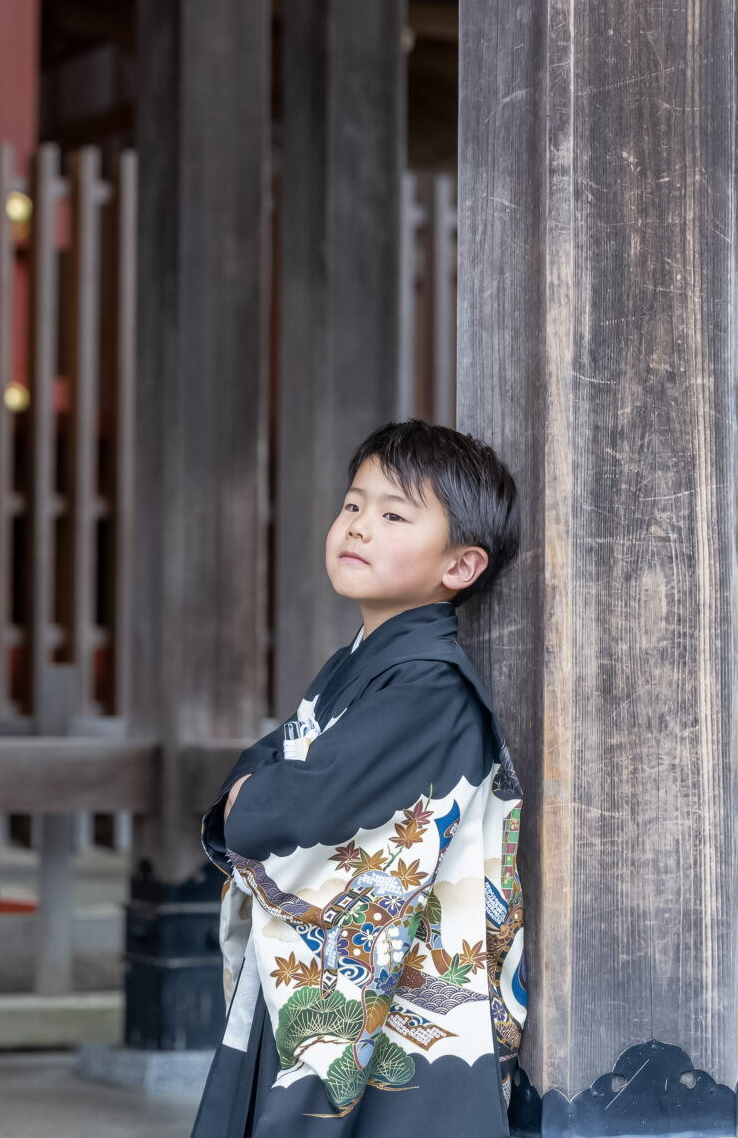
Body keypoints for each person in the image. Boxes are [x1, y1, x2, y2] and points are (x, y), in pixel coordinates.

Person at [190, 420, 526, 1137]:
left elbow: (298, 802)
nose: (359, 526)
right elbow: (267, 767)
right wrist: (253, 794)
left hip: (405, 1006)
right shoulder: (362, 666)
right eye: (353, 505)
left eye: (393, 514)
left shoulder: (432, 690)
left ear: (461, 567)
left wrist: (248, 805)